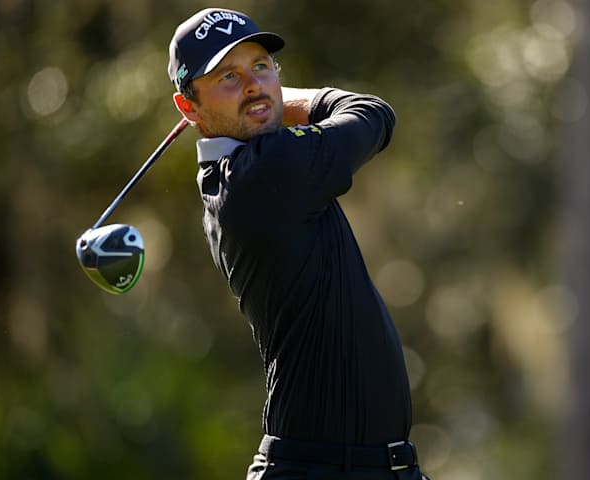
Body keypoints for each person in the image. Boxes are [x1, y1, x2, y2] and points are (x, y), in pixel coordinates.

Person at [167, 8, 429, 480]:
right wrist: (278, 102)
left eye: (262, 67)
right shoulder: (266, 173)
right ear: (189, 108)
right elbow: (374, 115)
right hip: (318, 470)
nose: (252, 85)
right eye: (228, 76)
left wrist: (260, 102)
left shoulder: (235, 175)